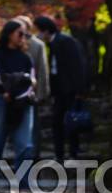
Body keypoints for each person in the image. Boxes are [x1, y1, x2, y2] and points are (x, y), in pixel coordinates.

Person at [0, 20, 35, 185]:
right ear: (9, 34)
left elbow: (32, 80)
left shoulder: (27, 58)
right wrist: (7, 91)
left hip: (23, 102)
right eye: (20, 33)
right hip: (1, 100)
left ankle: (24, 183)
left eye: (25, 34)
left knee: (25, 144)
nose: (23, 37)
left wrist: (18, 94)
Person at [34, 16, 87, 161]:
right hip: (59, 90)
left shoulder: (65, 41)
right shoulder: (53, 44)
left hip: (69, 89)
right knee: (57, 121)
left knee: (70, 121)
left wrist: (79, 90)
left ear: (45, 31)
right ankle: (60, 154)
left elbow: (77, 66)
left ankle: (72, 152)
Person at [14, 15, 49, 155]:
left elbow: (42, 70)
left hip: (31, 93)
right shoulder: (12, 44)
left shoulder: (37, 45)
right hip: (14, 92)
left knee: (33, 126)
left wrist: (41, 93)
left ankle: (33, 155)